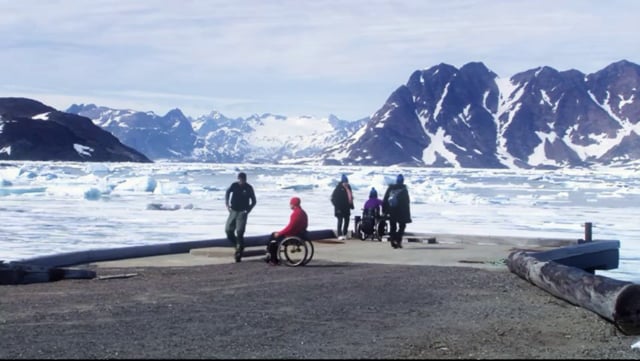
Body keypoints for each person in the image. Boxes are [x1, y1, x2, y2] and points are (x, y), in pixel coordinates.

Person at [265, 196, 308, 266]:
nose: (289, 205)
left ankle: (272, 258)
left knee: (273, 237)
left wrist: (280, 233)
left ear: (293, 204)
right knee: (275, 235)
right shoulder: (303, 212)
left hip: (293, 235)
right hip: (300, 234)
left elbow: (290, 227)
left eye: (290, 203)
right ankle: (270, 255)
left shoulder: (295, 214)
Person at [224, 172, 257, 263]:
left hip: (242, 212)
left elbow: (254, 201)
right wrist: (227, 204)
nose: (241, 181)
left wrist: (248, 210)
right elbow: (227, 192)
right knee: (228, 230)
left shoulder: (248, 188)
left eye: (242, 179)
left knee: (239, 231)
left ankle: (238, 252)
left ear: (245, 180)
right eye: (239, 179)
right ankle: (238, 244)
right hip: (233, 211)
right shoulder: (234, 185)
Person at [382, 174, 412, 249]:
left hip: (391, 210)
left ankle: (393, 241)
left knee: (393, 226)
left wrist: (385, 210)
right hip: (401, 212)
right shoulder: (404, 189)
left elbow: (385, 199)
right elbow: (406, 202)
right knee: (402, 226)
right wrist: (407, 215)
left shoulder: (390, 188)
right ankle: (398, 240)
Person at [330, 174, 354, 240]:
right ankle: (339, 234)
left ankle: (345, 233)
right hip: (339, 208)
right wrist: (337, 208)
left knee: (347, 220)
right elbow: (333, 199)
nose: (346, 183)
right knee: (340, 221)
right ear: (342, 182)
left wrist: (351, 205)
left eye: (347, 182)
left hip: (347, 208)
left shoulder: (349, 187)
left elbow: (350, 196)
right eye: (345, 182)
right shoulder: (338, 188)